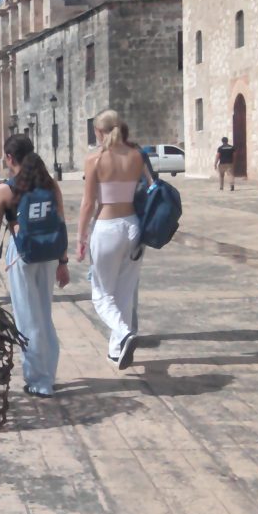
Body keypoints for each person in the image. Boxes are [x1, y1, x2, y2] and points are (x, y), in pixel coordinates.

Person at [0, 134, 70, 397]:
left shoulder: (6, 189)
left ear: (10, 158)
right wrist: (63, 262)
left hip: (21, 255)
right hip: (50, 253)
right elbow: (61, 224)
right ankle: (49, 374)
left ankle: (38, 380)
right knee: (44, 315)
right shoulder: (50, 184)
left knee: (26, 318)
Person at [78, 109, 144, 370]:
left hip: (108, 227)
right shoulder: (137, 155)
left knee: (102, 295)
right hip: (133, 225)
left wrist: (81, 237)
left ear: (98, 131)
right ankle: (117, 350)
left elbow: (87, 203)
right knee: (125, 293)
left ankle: (124, 334)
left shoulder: (95, 159)